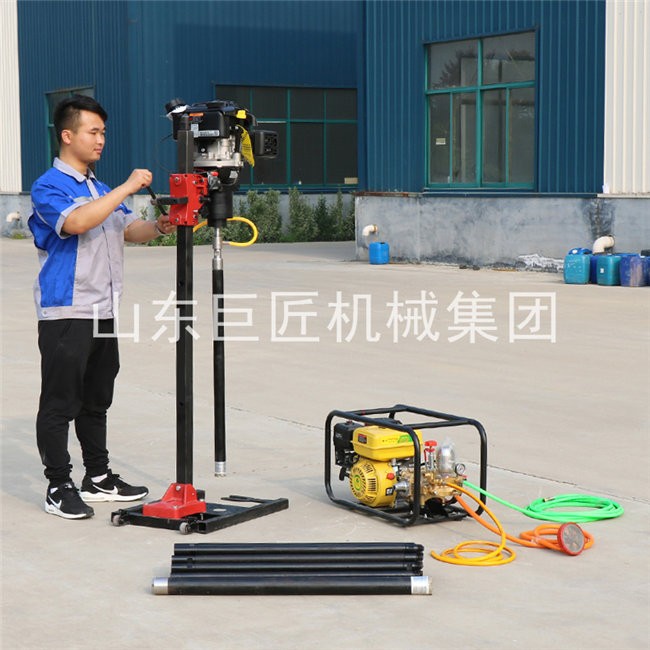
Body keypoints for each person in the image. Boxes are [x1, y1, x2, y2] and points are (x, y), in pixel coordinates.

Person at [28, 94, 176, 519]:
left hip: (103, 310)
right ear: (67, 135)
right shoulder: (49, 186)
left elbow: (129, 229)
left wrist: (160, 225)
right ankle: (58, 485)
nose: (100, 140)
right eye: (93, 132)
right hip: (67, 311)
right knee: (60, 402)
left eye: (103, 133)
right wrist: (128, 187)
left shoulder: (100, 188)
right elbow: (76, 222)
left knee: (97, 399)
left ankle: (98, 476)